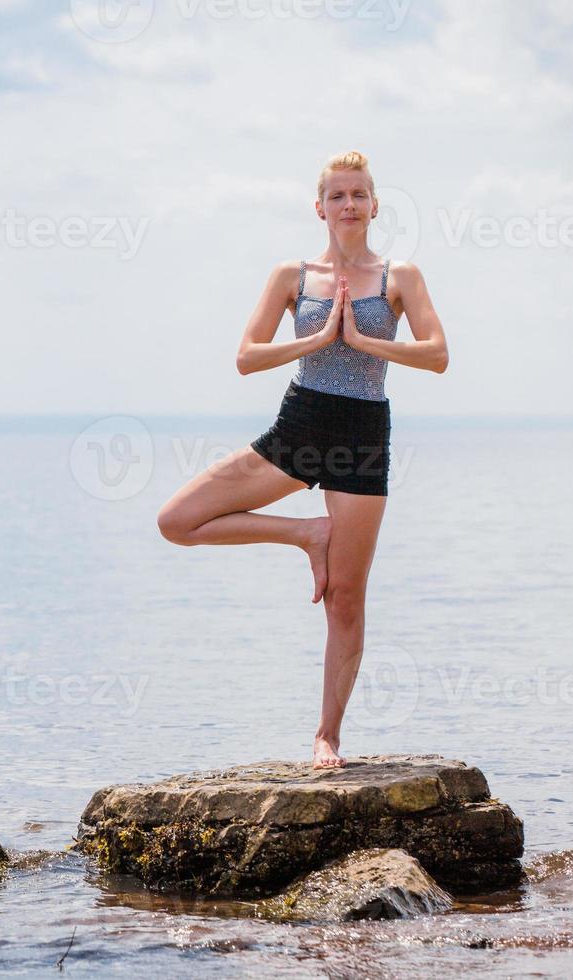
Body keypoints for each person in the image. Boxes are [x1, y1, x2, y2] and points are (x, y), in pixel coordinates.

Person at [155, 150, 449, 769]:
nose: (349, 205)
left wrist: (364, 340)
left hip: (363, 434)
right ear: (320, 207)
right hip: (299, 425)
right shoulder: (293, 274)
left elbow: (438, 353)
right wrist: (318, 339)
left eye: (359, 195)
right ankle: (306, 535)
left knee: (346, 598)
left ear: (374, 205)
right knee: (177, 520)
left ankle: (328, 736)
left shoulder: (401, 277)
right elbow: (245, 355)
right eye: (337, 196)